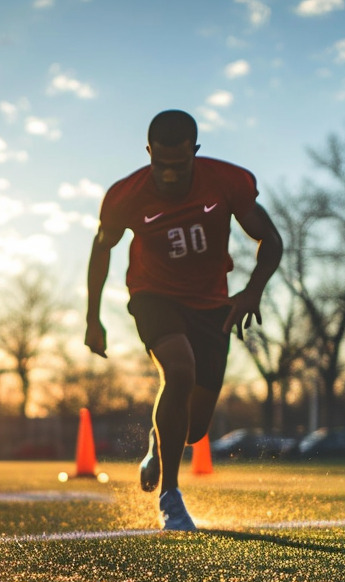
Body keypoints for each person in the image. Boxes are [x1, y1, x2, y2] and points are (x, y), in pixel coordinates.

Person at [85, 109, 283, 530]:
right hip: (154, 295)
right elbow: (101, 248)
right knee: (179, 369)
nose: (169, 176)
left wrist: (252, 291)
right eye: (160, 165)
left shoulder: (227, 181)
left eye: (178, 166)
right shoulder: (127, 195)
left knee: (192, 432)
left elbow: (271, 239)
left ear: (194, 152)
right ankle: (170, 497)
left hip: (211, 304)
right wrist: (92, 317)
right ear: (148, 153)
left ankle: (160, 444)